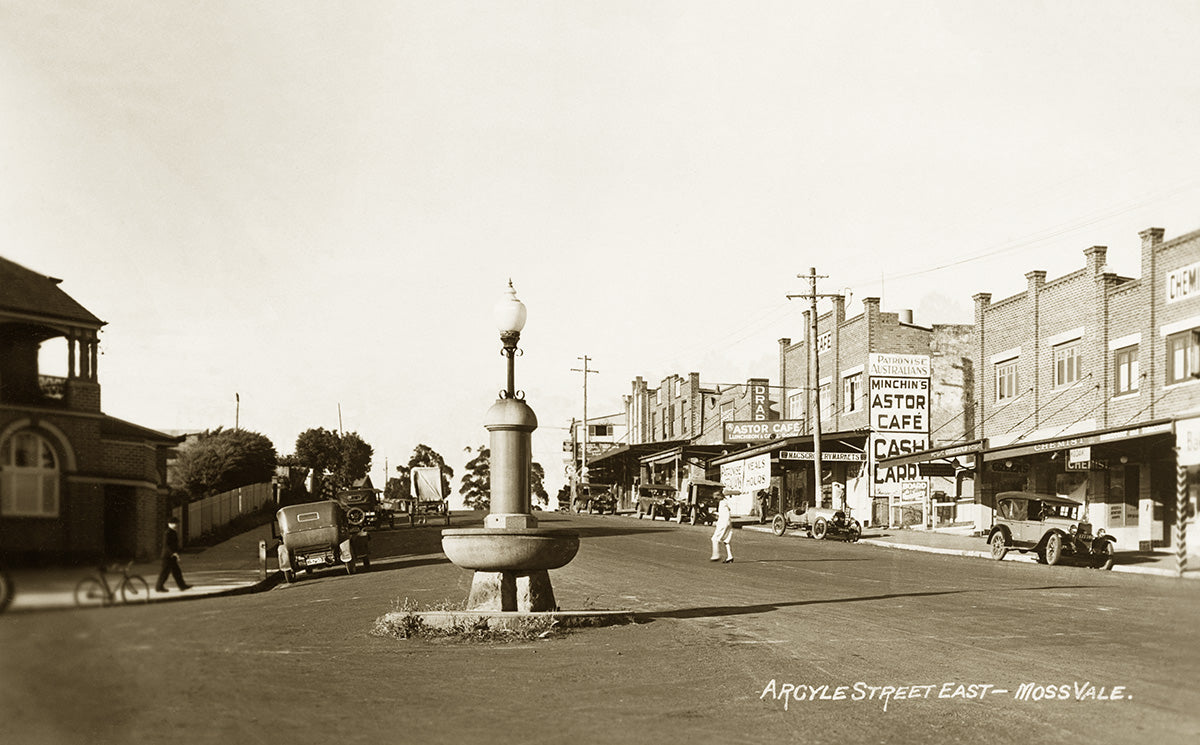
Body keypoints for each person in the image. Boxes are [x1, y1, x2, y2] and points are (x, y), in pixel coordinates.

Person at [155, 517, 191, 592]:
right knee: (165, 573)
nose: (176, 525)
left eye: (176, 523)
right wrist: (173, 553)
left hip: (171, 556)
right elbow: (167, 545)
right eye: (174, 523)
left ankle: (182, 586)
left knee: (176, 572)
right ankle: (159, 587)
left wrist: (176, 553)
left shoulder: (173, 532)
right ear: (169, 524)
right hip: (167, 556)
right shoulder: (168, 533)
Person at [710, 490, 734, 563]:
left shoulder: (722, 502)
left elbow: (723, 515)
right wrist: (715, 513)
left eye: (716, 497)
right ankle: (730, 556)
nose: (716, 499)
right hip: (728, 522)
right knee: (726, 540)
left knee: (714, 539)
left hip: (723, 523)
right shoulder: (726, 502)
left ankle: (716, 555)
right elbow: (724, 513)